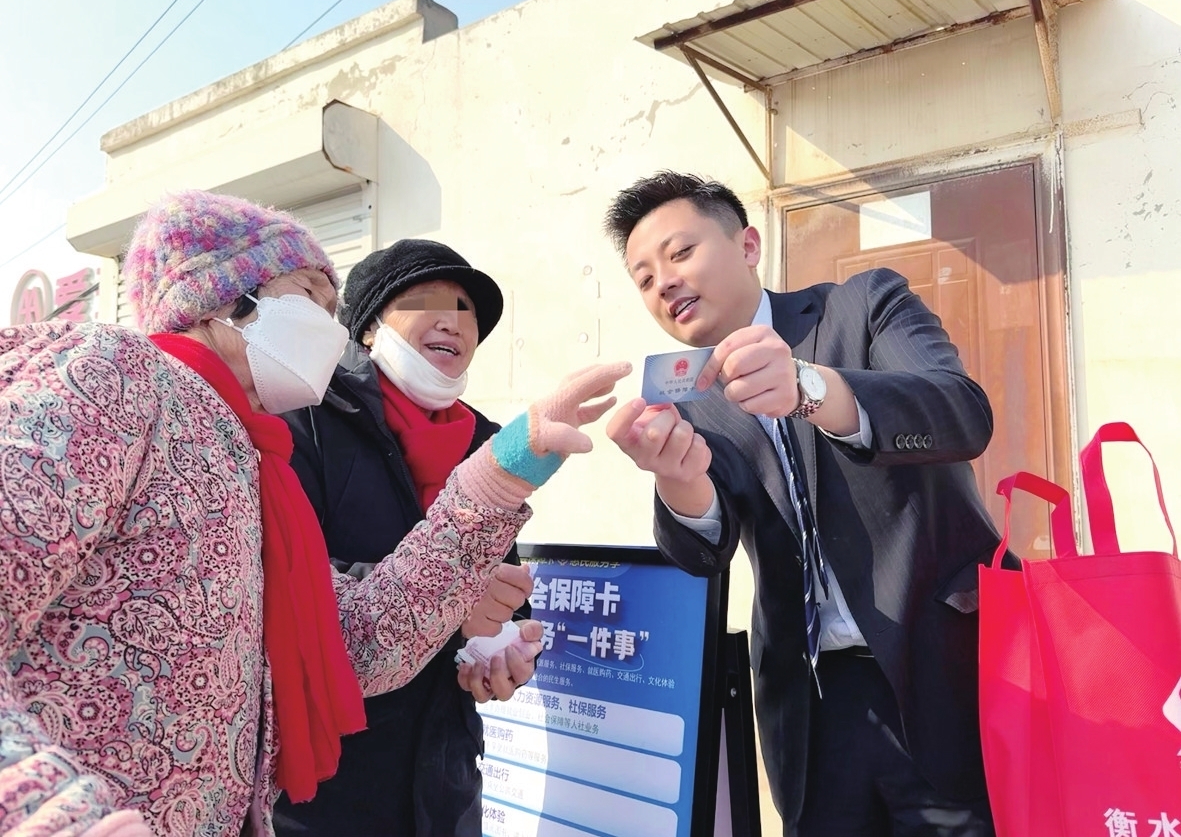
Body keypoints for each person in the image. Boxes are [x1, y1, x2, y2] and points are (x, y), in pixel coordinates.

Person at [0, 190, 629, 837]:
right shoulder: (117, 377)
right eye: (308, 295)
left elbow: (357, 638)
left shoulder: (252, 458)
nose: (329, 331)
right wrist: (50, 815)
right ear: (225, 299)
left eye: (333, 311)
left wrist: (499, 474)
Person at [603, 172, 1000, 837]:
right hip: (811, 706)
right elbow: (702, 551)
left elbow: (962, 414)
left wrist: (809, 387)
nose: (664, 283)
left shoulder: (862, 305)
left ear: (748, 245)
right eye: (643, 279)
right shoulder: (688, 401)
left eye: (680, 253)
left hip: (938, 673)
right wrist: (676, 480)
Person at [272, 239, 538, 836]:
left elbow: (498, 588)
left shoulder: (489, 445)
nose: (453, 321)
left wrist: (503, 649)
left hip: (445, 782)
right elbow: (286, 579)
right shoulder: (305, 417)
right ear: (368, 328)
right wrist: (450, 602)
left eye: (467, 310)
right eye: (426, 300)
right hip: (323, 791)